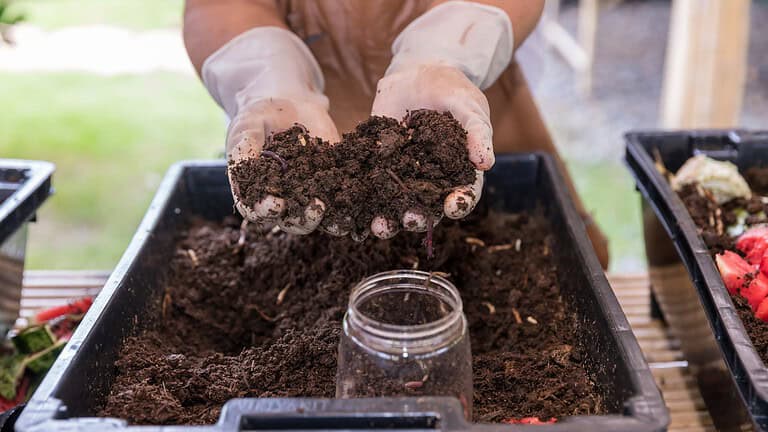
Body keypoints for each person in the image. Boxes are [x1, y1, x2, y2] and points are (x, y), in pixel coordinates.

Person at [183, 0, 610, 268]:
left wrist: (442, 56)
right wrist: (265, 78)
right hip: (293, 115)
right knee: (301, 252)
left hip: (460, 94)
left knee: (564, 257)